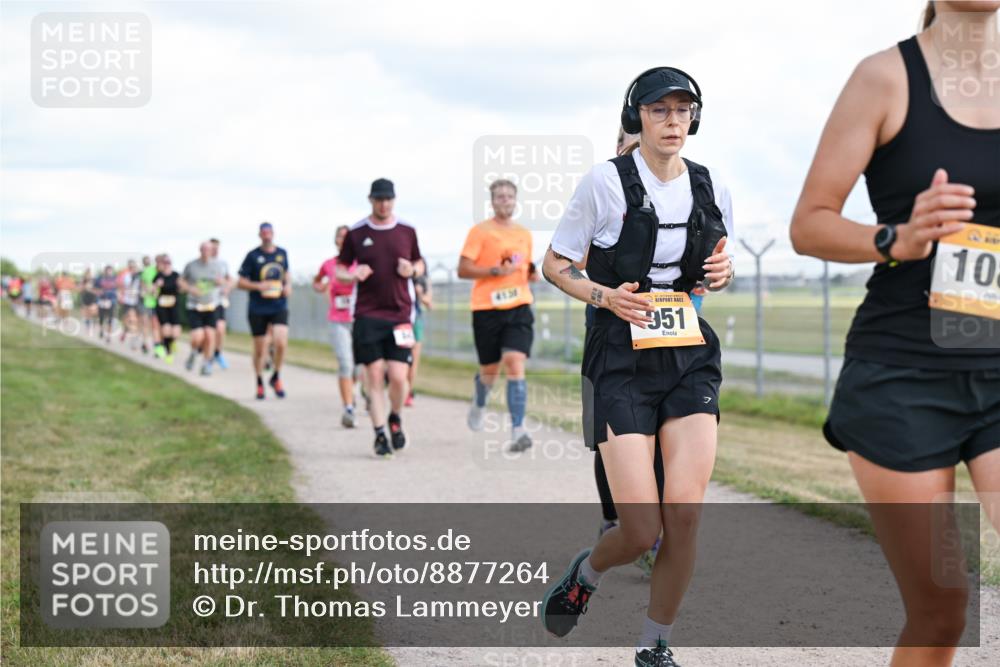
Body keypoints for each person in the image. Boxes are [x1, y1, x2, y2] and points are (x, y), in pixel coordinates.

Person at [790, 3, 1000, 664]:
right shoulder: (884, 78)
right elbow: (810, 222)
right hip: (904, 377)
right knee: (941, 608)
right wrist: (898, 238)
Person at [540, 66, 734, 666]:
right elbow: (555, 264)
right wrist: (605, 295)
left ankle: (655, 646)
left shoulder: (710, 184)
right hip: (620, 358)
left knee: (685, 513)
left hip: (688, 356)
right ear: (638, 117)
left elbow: (715, 267)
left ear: (694, 118)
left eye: (683, 110)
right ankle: (587, 571)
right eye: (659, 110)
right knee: (640, 528)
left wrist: (723, 275)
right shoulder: (604, 183)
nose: (673, 121)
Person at [336, 178, 425, 458]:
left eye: (388, 200)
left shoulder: (407, 231)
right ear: (371, 200)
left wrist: (411, 269)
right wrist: (352, 274)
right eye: (379, 200)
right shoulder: (357, 232)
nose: (383, 204)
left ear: (394, 201)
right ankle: (378, 434)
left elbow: (420, 263)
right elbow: (339, 268)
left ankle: (395, 417)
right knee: (373, 374)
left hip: (400, 314)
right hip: (367, 314)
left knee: (399, 377)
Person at [458, 179, 539, 452]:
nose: (505, 200)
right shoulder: (480, 232)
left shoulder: (524, 234)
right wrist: (493, 272)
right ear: (492, 201)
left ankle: (518, 430)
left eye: (509, 196)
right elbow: (463, 269)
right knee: (489, 372)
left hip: (518, 307)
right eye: (500, 196)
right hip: (486, 309)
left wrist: (532, 274)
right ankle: (480, 402)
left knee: (514, 361)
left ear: (516, 201)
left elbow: (525, 265)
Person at [314, 225, 361, 427]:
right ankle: (348, 408)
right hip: (338, 320)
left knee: (359, 368)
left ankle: (352, 391)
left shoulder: (360, 263)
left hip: (359, 319)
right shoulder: (329, 265)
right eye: (340, 237)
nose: (343, 240)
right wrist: (322, 286)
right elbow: (317, 282)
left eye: (346, 237)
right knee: (345, 363)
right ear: (336, 241)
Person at [237, 222, 290, 399]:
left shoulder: (282, 253)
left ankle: (276, 376)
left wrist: (288, 285)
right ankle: (259, 382)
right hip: (258, 307)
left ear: (273, 234)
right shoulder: (252, 256)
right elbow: (241, 282)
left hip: (278, 305)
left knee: (280, 340)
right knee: (260, 349)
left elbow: (287, 274)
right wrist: (258, 285)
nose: (267, 235)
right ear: (260, 235)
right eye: (263, 233)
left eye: (269, 232)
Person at [181, 242, 223, 376]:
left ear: (212, 251)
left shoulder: (217, 266)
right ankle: (193, 352)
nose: (206, 251)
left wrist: (220, 283)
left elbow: (225, 281)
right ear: (200, 250)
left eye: (209, 249)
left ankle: (206, 364)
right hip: (195, 305)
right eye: (204, 249)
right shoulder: (191, 265)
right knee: (198, 337)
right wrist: (190, 288)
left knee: (210, 336)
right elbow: (181, 281)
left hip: (211, 305)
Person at [405, 272, 432, 407]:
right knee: (401, 359)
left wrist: (419, 293)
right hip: (401, 321)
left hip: (416, 322)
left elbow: (429, 304)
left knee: (413, 361)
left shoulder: (423, 280)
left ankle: (408, 392)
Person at [153, 256, 181, 363]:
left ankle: (170, 342)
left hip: (173, 305)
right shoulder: (158, 276)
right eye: (165, 263)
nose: (167, 265)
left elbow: (181, 289)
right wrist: (156, 286)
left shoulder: (176, 275)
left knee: (176, 332)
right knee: (166, 329)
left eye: (168, 263)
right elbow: (153, 292)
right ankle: (168, 353)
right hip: (162, 306)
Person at [209, 238, 232, 370]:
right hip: (206, 301)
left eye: (217, 247)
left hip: (220, 301)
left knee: (221, 328)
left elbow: (229, 279)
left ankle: (218, 353)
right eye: (213, 247)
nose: (215, 250)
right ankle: (209, 356)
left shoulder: (223, 263)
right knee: (210, 332)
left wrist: (227, 288)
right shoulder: (204, 264)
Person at [117, 259, 142, 347]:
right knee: (126, 320)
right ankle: (125, 331)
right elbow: (120, 287)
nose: (133, 268)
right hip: (126, 301)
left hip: (135, 302)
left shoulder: (139, 276)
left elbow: (143, 286)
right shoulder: (125, 276)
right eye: (131, 266)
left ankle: (133, 340)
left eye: (134, 266)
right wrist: (120, 296)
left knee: (133, 320)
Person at [139, 255, 159, 355]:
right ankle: (145, 344)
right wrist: (145, 290)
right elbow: (142, 284)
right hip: (146, 302)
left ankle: (157, 347)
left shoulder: (163, 272)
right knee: (145, 324)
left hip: (158, 304)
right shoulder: (147, 271)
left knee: (155, 326)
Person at [94, 266, 118, 341]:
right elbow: (95, 288)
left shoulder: (115, 279)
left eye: (110, 271)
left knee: (110, 318)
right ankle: (101, 330)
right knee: (101, 317)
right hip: (102, 300)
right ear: (105, 271)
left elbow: (119, 288)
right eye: (107, 271)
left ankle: (109, 336)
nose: (109, 272)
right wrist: (98, 292)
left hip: (111, 301)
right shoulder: (99, 279)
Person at [79, 268, 98, 335]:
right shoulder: (83, 281)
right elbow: (80, 290)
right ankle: (88, 328)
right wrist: (84, 287)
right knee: (87, 314)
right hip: (85, 298)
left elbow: (96, 290)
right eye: (87, 274)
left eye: (89, 274)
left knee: (93, 312)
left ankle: (93, 322)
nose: (88, 275)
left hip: (93, 298)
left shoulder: (94, 281)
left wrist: (91, 290)